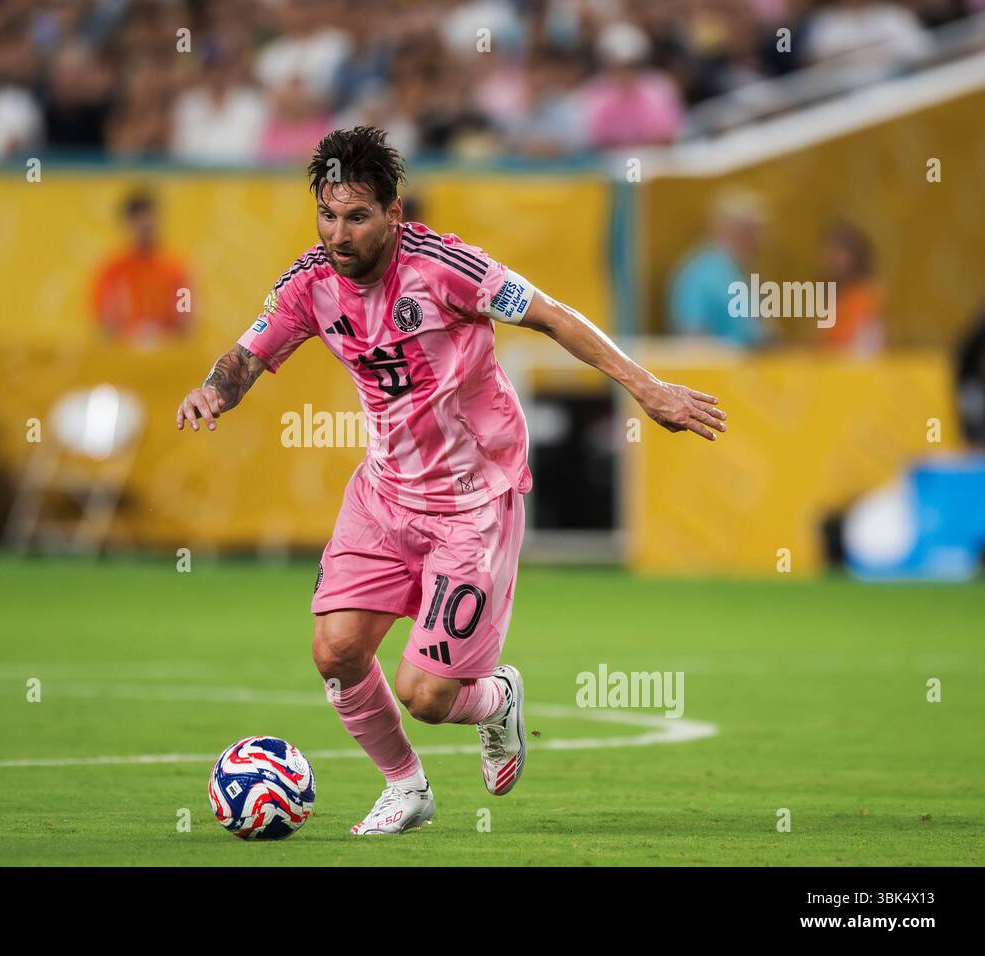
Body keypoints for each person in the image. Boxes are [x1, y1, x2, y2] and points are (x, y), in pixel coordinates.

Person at [174, 127, 727, 836]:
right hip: (383, 496)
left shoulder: (447, 267)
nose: (339, 233)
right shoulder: (309, 284)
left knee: (427, 695)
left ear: (393, 213)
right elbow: (246, 356)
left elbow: (553, 315)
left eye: (357, 216)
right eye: (328, 214)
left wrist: (646, 388)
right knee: (335, 651)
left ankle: (494, 701)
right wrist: (213, 392)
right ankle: (406, 788)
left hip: (473, 504)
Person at [668, 190, 767, 348]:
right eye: (750, 231)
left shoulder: (735, 271)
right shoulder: (699, 272)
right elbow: (691, 335)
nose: (759, 241)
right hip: (715, 368)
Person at [91, 192, 191, 343]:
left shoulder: (177, 269)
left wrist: (162, 337)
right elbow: (104, 321)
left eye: (150, 222)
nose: (145, 228)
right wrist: (131, 337)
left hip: (168, 353)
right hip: (126, 354)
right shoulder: (113, 271)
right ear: (128, 225)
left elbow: (187, 318)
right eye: (139, 222)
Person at [819, 220, 883, 356]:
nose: (831, 259)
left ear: (855, 257)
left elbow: (865, 352)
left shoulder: (866, 297)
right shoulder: (835, 296)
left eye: (838, 253)